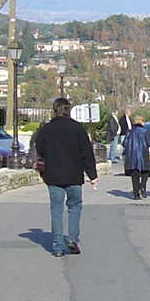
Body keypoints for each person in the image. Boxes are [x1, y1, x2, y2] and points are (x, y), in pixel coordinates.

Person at [31, 96, 98, 257]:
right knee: (74, 206)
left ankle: (58, 246)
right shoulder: (77, 128)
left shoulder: (46, 129)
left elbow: (39, 148)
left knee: (56, 209)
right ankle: (72, 239)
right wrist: (92, 175)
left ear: (54, 110)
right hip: (74, 175)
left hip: (53, 176)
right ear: (69, 110)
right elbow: (86, 153)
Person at [122, 115, 150, 200]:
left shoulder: (129, 132)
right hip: (143, 154)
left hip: (132, 155)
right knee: (146, 171)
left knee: (134, 174)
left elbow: (124, 143)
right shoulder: (145, 132)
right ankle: (142, 186)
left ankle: (135, 193)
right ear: (142, 122)